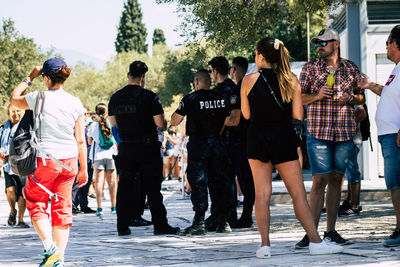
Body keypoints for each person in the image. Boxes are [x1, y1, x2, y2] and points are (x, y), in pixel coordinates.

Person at [241, 37, 344, 258]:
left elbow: (247, 115)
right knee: (298, 194)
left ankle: (265, 246)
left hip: (257, 138)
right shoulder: (291, 79)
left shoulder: (248, 80)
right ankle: (315, 242)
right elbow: (298, 115)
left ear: (260, 56)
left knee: (262, 194)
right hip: (283, 138)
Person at [10, 57, 88, 267]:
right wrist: (84, 169)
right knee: (63, 209)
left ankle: (50, 248)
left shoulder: (38, 97)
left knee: (36, 202)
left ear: (45, 78)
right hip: (69, 162)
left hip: (46, 160)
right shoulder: (76, 103)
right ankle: (58, 259)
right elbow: (80, 139)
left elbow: (14, 99)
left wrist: (29, 77)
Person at [296, 28, 365, 249]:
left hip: (344, 133)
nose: (319, 47)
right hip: (318, 134)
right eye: (317, 44)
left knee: (336, 181)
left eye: (323, 43)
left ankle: (330, 232)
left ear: (335, 44)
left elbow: (360, 97)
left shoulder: (351, 68)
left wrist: (352, 98)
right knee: (318, 182)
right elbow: (298, 99)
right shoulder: (310, 68)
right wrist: (316, 95)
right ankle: (311, 234)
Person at [108, 60, 179, 236]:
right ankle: (160, 225)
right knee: (153, 188)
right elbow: (160, 124)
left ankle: (122, 226)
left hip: (125, 147)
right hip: (147, 147)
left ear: (127, 75)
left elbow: (113, 122)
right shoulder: (150, 97)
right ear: (143, 78)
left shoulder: (115, 97)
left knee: (124, 187)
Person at [171, 69, 233, 235]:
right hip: (218, 143)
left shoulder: (191, 98)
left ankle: (199, 222)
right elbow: (229, 119)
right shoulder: (220, 98)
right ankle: (223, 221)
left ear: (196, 82)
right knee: (219, 181)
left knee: (198, 181)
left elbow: (174, 120)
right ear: (210, 82)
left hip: (199, 144)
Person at [357, 25, 400, 247]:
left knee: (396, 183)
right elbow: (389, 93)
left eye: (387, 43)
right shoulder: (396, 69)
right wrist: (369, 85)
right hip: (389, 135)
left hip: (396, 135)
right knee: (394, 183)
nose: (386, 47)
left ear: (395, 44)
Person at [206, 56, 238, 231]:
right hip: (229, 141)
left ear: (215, 71)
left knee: (220, 180)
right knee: (227, 180)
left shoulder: (223, 90)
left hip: (223, 140)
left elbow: (230, 117)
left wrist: (217, 130)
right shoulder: (232, 87)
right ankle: (226, 214)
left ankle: (222, 215)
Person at [228, 56, 255, 228]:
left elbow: (235, 119)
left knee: (244, 180)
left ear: (233, 70)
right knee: (249, 180)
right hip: (251, 138)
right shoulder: (253, 86)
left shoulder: (239, 88)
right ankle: (247, 215)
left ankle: (246, 216)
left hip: (239, 141)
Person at [0, 104, 29, 228]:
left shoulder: (25, 128)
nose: (15, 113)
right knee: (10, 190)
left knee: (22, 192)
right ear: (8, 113)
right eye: (12, 111)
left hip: (23, 164)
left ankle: (21, 219)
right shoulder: (3, 129)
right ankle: (13, 211)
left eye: (18, 111)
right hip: (8, 165)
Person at [87, 103, 118, 216]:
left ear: (96, 112)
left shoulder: (93, 125)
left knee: (99, 182)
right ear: (106, 112)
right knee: (112, 182)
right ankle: (113, 207)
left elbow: (90, 142)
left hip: (98, 156)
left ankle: (99, 208)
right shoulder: (111, 123)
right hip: (110, 155)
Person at [338, 105, 367, 216]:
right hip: (345, 138)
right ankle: (349, 202)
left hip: (352, 138)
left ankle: (355, 205)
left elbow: (362, 113)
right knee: (347, 171)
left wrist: (350, 123)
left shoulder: (352, 95)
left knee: (352, 170)